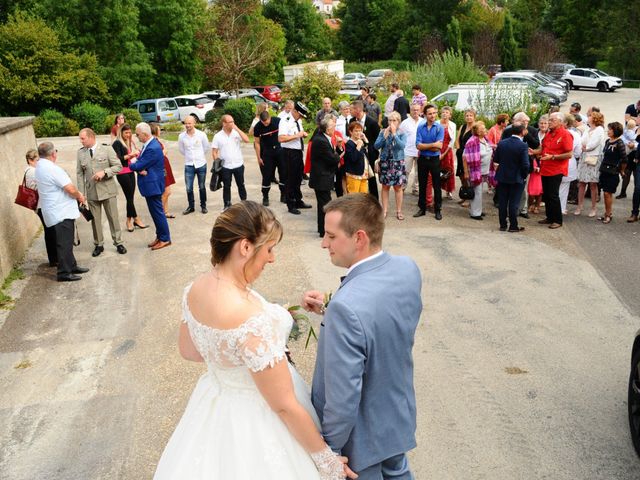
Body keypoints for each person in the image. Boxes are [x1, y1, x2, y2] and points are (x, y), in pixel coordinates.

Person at [154, 201, 353, 480]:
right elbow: (283, 405)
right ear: (245, 247)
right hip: (260, 420)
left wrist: (246, 345)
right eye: (269, 249)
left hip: (216, 403)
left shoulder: (195, 289)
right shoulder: (250, 320)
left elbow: (189, 350)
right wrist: (327, 460)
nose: (272, 258)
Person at [302, 193, 422, 480]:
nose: (323, 244)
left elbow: (343, 396)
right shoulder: (407, 269)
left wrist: (328, 450)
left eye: (331, 236)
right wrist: (331, 309)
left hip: (361, 437)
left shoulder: (347, 307)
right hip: (396, 416)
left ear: (359, 238)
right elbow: (379, 318)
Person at [34, 142, 89, 281]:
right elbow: (70, 188)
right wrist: (80, 196)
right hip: (60, 211)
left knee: (67, 241)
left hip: (54, 210)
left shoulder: (40, 166)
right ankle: (64, 272)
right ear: (53, 153)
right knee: (64, 243)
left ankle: (72, 265)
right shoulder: (52, 169)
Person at [76, 128, 126, 257]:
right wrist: (81, 194)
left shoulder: (107, 149)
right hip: (92, 191)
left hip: (108, 190)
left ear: (91, 137)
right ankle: (99, 244)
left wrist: (104, 172)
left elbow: (118, 166)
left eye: (83, 138)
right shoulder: (81, 153)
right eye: (80, 138)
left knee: (113, 218)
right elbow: (79, 174)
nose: (81, 141)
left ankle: (118, 242)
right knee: (95, 220)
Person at [129, 122, 171, 250]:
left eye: (138, 134)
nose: (136, 137)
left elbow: (136, 165)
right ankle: (160, 236)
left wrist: (133, 162)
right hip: (151, 184)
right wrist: (141, 165)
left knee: (158, 213)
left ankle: (165, 238)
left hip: (152, 185)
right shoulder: (149, 144)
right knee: (155, 213)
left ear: (145, 134)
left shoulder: (152, 147)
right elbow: (142, 163)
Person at [539, 112, 574, 229]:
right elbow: (543, 148)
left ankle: (558, 220)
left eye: (552, 120)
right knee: (547, 194)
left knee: (553, 195)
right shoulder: (549, 133)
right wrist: (534, 152)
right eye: (549, 120)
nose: (549, 122)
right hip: (545, 168)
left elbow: (569, 154)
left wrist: (553, 157)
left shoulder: (565, 134)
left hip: (556, 169)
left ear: (560, 122)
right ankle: (549, 217)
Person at [310, 116, 344, 237]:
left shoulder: (325, 138)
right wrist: (340, 149)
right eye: (333, 126)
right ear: (328, 129)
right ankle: (324, 230)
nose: (335, 128)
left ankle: (323, 230)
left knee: (323, 205)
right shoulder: (321, 141)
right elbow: (333, 159)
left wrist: (337, 150)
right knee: (325, 205)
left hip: (324, 176)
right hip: (321, 178)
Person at [111, 123, 148, 232]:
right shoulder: (117, 143)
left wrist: (135, 156)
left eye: (129, 133)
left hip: (131, 171)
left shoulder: (128, 142)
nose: (128, 135)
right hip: (122, 173)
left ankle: (129, 220)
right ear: (121, 132)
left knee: (130, 198)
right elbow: (119, 159)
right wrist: (132, 154)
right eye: (126, 133)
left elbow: (131, 159)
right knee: (129, 197)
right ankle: (136, 218)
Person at [24, 148, 57, 266]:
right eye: (37, 160)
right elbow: (39, 187)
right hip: (41, 205)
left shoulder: (32, 170)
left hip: (41, 205)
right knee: (50, 231)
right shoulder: (32, 171)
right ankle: (54, 259)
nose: (39, 162)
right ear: (30, 160)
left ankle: (54, 258)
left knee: (50, 230)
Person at [494, 124, 530, 232]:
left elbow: (496, 159)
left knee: (503, 201)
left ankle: (503, 224)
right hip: (516, 177)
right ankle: (513, 226)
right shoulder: (523, 146)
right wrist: (524, 175)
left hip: (503, 176)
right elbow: (525, 164)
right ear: (522, 132)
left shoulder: (502, 143)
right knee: (514, 202)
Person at [279, 101, 312, 215]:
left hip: (297, 152)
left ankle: (298, 200)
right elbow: (281, 138)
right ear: (295, 111)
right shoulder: (285, 121)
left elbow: (298, 133)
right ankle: (291, 203)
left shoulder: (297, 121)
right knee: (290, 180)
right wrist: (297, 135)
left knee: (298, 178)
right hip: (288, 153)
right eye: (300, 115)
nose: (301, 117)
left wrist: (302, 134)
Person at [212, 115, 250, 210]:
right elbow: (214, 152)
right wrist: (217, 164)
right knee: (227, 186)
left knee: (241, 184)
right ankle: (227, 204)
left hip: (238, 164)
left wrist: (237, 129)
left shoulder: (236, 133)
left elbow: (247, 140)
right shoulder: (218, 136)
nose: (233, 123)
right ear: (224, 123)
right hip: (226, 167)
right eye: (230, 122)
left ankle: (244, 202)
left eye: (233, 121)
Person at [374, 111, 407, 220]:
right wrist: (384, 136)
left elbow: (401, 146)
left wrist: (394, 134)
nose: (391, 122)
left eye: (394, 120)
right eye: (390, 120)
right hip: (385, 162)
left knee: (398, 187)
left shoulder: (402, 132)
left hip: (397, 162)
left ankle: (399, 211)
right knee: (385, 187)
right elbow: (376, 146)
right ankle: (384, 210)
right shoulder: (383, 131)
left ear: (399, 122)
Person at [415, 104, 444, 220]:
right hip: (422, 159)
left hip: (434, 160)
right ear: (425, 115)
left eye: (434, 113)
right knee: (422, 184)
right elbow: (418, 146)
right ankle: (422, 208)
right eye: (430, 113)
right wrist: (432, 144)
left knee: (437, 185)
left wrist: (425, 146)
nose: (432, 115)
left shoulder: (439, 127)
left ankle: (438, 210)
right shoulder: (420, 127)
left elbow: (439, 148)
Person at [575, 111, 605, 217]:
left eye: (590, 116)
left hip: (594, 158)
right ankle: (579, 206)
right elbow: (582, 141)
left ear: (595, 118)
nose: (588, 117)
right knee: (582, 182)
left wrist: (585, 147)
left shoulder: (600, 130)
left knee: (593, 184)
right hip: (584, 157)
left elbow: (593, 143)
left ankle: (593, 208)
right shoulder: (588, 129)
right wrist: (584, 147)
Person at [462, 121, 494, 220]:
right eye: (483, 129)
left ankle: (477, 210)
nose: (485, 130)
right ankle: (475, 213)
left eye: (485, 128)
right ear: (478, 132)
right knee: (477, 192)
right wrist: (466, 172)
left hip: (485, 171)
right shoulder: (472, 142)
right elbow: (464, 157)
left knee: (479, 191)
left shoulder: (485, 139)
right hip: (475, 171)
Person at [178, 116, 210, 215]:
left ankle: (203, 206)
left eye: (189, 123)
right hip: (189, 165)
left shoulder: (201, 135)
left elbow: (206, 148)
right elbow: (181, 150)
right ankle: (191, 207)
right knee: (189, 188)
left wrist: (198, 156)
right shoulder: (181, 136)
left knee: (201, 187)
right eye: (186, 123)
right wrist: (190, 157)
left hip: (201, 164)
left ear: (194, 123)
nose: (187, 125)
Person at [349, 100, 380, 200]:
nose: (350, 111)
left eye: (351, 109)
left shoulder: (372, 123)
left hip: (369, 155)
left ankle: (375, 201)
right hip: (355, 153)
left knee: (371, 179)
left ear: (358, 109)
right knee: (357, 178)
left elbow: (377, 141)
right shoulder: (351, 121)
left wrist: (366, 142)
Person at [598, 122, 627, 223]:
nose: (608, 131)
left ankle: (608, 214)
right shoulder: (607, 141)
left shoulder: (620, 143)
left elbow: (624, 159)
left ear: (615, 130)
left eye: (610, 129)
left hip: (613, 172)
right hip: (604, 170)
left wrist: (622, 171)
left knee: (607, 193)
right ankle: (607, 213)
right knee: (605, 193)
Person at [253, 110, 284, 206]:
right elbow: (257, 143)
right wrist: (259, 157)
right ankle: (265, 196)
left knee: (283, 173)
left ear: (270, 118)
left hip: (280, 150)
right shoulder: (258, 127)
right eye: (263, 123)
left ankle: (284, 195)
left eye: (267, 122)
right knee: (266, 176)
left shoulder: (278, 121)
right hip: (267, 153)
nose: (266, 125)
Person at [150, 123, 176, 218]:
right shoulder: (153, 141)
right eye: (158, 129)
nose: (160, 130)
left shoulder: (156, 140)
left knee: (165, 191)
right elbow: (156, 155)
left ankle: (165, 211)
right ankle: (159, 213)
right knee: (167, 191)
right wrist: (163, 152)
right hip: (161, 168)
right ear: (154, 130)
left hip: (164, 166)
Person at [399, 103, 424, 196]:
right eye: (413, 110)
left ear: (421, 111)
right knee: (405, 170)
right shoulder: (405, 123)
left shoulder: (423, 122)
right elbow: (400, 136)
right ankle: (402, 187)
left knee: (419, 172)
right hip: (407, 151)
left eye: (417, 110)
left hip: (420, 151)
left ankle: (415, 188)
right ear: (410, 111)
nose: (415, 112)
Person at [455, 109, 476, 206]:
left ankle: (469, 198)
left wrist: (466, 152)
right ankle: (464, 195)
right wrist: (459, 150)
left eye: (470, 115)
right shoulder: (463, 127)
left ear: (474, 116)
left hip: (470, 155)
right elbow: (457, 140)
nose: (468, 117)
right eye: (467, 115)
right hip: (460, 154)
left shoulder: (475, 128)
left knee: (468, 176)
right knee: (461, 175)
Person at [527, 115, 547, 214]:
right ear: (538, 124)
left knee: (540, 187)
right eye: (541, 123)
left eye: (545, 123)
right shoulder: (535, 133)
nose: (543, 125)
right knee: (531, 186)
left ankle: (537, 205)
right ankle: (530, 204)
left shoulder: (549, 134)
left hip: (544, 161)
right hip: (533, 160)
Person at [561, 114, 580, 215]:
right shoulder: (576, 135)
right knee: (564, 187)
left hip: (562, 160)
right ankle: (562, 208)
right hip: (570, 161)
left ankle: (557, 208)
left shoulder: (562, 133)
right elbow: (578, 152)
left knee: (557, 187)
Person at [343, 122, 369, 194]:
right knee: (354, 196)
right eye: (356, 131)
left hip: (363, 173)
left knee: (364, 197)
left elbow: (367, 154)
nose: (358, 133)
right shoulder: (349, 144)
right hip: (354, 174)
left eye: (360, 130)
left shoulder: (360, 141)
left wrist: (365, 140)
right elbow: (353, 158)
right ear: (351, 132)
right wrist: (358, 146)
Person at [617, 119, 638, 199]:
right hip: (629, 154)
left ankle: (637, 194)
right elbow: (622, 136)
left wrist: (634, 145)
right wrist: (628, 143)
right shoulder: (629, 129)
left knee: (636, 176)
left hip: (637, 155)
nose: (637, 119)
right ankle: (623, 192)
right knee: (627, 173)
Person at [439, 106, 457, 199]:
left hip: (447, 150)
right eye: (443, 112)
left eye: (447, 112)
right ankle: (437, 189)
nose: (445, 114)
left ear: (450, 115)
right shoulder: (437, 123)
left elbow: (452, 141)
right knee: (437, 170)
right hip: (437, 149)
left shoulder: (453, 125)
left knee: (448, 170)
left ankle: (448, 191)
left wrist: (444, 153)